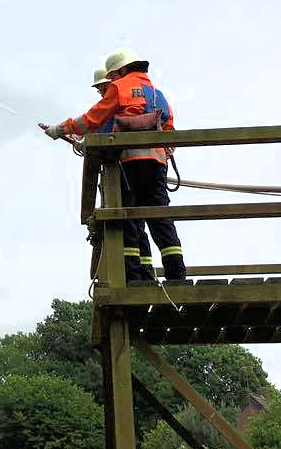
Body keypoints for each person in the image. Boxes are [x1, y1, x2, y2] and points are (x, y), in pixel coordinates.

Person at [42, 49, 187, 282]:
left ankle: (133, 276)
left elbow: (92, 119)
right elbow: (170, 131)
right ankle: (176, 275)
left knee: (127, 215)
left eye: (111, 77)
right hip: (157, 164)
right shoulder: (157, 94)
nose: (110, 82)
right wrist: (163, 153)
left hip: (128, 162)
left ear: (121, 70)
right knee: (160, 216)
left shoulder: (120, 87)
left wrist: (61, 129)